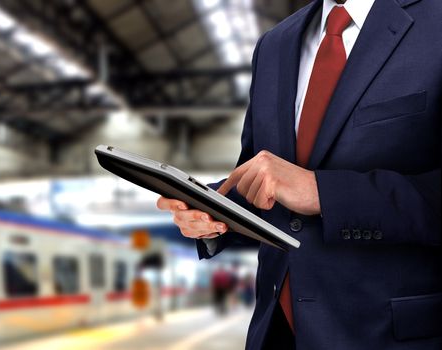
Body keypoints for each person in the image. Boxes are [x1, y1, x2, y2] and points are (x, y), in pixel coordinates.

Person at [157, 0, 442, 349]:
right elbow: (262, 181)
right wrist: (211, 210)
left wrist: (321, 192)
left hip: (388, 335)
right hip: (277, 331)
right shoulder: (274, 45)